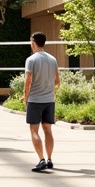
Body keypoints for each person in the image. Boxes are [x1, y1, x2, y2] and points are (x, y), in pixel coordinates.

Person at [23, 32, 60, 172]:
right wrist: (51, 93)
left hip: (35, 100)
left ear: (33, 42)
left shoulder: (31, 60)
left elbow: (28, 80)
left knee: (34, 129)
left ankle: (41, 160)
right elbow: (57, 81)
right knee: (48, 130)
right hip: (49, 100)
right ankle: (50, 159)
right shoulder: (53, 59)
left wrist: (25, 97)